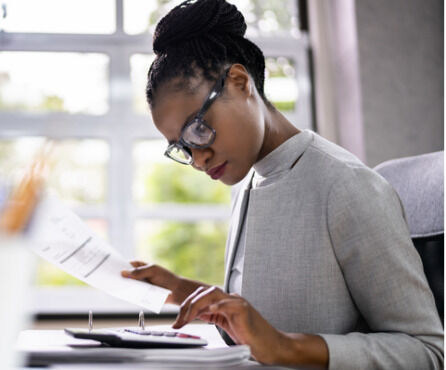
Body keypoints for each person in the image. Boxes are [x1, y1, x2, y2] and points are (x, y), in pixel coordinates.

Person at [120, 0, 444, 368]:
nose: (197, 158)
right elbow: (264, 322)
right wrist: (182, 290)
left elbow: (428, 351)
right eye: (181, 147)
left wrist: (286, 348)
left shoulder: (346, 187)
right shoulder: (247, 184)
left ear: (240, 83)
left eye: (197, 129)